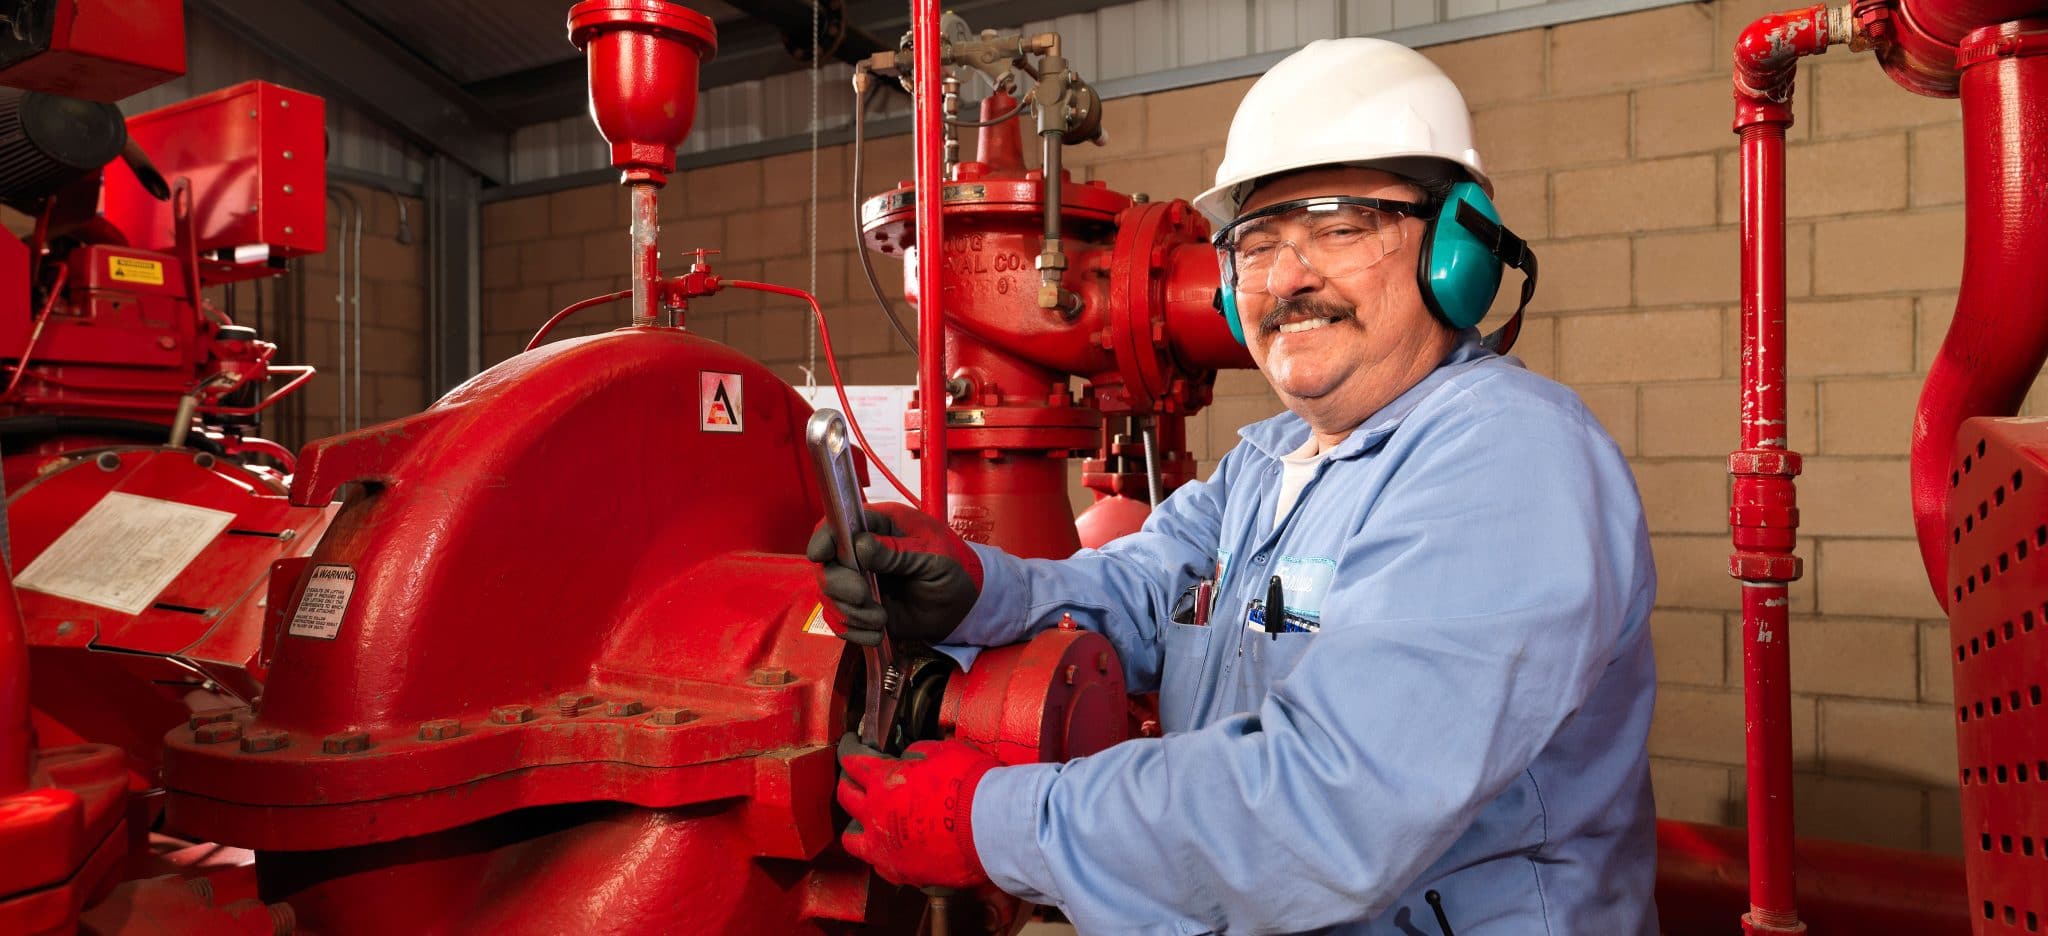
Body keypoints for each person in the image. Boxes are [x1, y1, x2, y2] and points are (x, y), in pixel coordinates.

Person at [813, 37, 1657, 935]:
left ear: (1456, 251)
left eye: (1340, 227)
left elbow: (1328, 807)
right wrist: (982, 591)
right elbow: (1146, 593)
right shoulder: (1267, 464)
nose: (1288, 278)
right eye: (1256, 245)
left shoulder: (1509, 461)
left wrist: (993, 823)